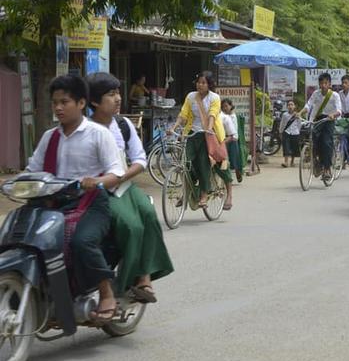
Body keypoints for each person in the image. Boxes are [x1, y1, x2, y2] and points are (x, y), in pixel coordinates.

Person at [26, 74, 125, 323]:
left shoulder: (98, 134)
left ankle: (106, 293)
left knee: (82, 242)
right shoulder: (50, 137)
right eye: (55, 102)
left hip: (92, 203)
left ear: (81, 103)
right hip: (53, 202)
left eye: (65, 102)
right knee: (26, 240)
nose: (58, 107)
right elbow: (32, 170)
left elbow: (116, 172)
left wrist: (96, 181)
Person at [86, 72, 173, 305]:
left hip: (124, 185)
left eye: (118, 93)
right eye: (111, 94)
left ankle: (144, 278)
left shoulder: (123, 125)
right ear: (94, 101)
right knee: (130, 225)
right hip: (100, 190)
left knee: (148, 215)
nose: (118, 99)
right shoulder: (86, 128)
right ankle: (124, 283)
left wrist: (121, 176)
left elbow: (140, 159)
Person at [168, 71, 234, 210]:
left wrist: (208, 129)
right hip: (192, 133)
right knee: (186, 163)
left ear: (209, 84)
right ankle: (188, 191)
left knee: (207, 163)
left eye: (203, 83)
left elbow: (212, 114)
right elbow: (183, 114)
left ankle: (205, 194)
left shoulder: (214, 97)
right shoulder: (191, 96)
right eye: (198, 82)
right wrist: (173, 127)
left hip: (210, 134)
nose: (200, 85)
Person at [301, 72, 342, 180]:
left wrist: (333, 115)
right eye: (321, 83)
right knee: (313, 138)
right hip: (317, 119)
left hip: (329, 119)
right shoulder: (316, 94)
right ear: (319, 84)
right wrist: (300, 112)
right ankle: (317, 162)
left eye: (325, 83)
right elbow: (308, 105)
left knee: (326, 142)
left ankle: (327, 169)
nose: (323, 85)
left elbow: (339, 110)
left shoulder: (335, 95)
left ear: (329, 84)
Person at [221, 98, 243, 183]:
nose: (225, 108)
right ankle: (227, 178)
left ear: (231, 106)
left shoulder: (233, 117)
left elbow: (233, 130)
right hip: (224, 139)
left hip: (232, 139)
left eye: (226, 106)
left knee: (235, 159)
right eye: (223, 107)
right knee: (225, 159)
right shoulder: (222, 116)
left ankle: (238, 172)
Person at [279, 100, 301, 168]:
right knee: (286, 147)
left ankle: (292, 161)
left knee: (294, 148)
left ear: (294, 106)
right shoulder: (285, 115)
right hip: (286, 132)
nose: (290, 106)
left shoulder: (297, 115)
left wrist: (298, 132)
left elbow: (299, 124)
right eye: (289, 105)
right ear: (287, 107)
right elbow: (282, 123)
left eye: (292, 105)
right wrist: (280, 131)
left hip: (295, 133)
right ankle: (286, 162)